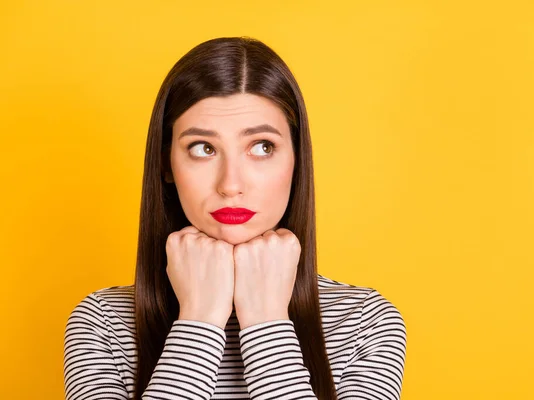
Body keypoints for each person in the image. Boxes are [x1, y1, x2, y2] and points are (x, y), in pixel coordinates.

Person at [63, 36, 407, 400]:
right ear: (167, 164)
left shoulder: (365, 322)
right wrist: (198, 318)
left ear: (296, 160)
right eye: (203, 148)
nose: (231, 184)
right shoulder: (103, 322)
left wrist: (267, 320)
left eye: (262, 147)